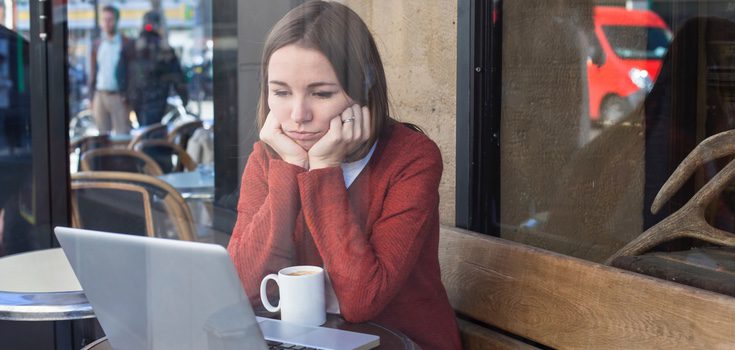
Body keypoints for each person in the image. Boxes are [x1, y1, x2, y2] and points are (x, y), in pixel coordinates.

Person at [226, 2, 461, 349]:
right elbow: (241, 289)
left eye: (321, 93)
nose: (298, 115)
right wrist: (289, 168)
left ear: (363, 86)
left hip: (398, 343)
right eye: (281, 92)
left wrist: (323, 170)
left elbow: (361, 300)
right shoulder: (268, 159)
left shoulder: (412, 159)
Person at [127, 11, 188, 127]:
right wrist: (184, 96)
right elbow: (177, 75)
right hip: (158, 97)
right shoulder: (164, 48)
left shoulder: (134, 47)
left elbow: (125, 73)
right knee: (154, 129)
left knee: (145, 129)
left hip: (138, 97)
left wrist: (127, 94)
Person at [89, 5, 133, 135]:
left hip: (118, 95)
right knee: (102, 135)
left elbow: (131, 72)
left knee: (122, 133)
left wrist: (128, 96)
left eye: (110, 19)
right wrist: (91, 97)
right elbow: (93, 71)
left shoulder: (125, 43)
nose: (107, 23)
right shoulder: (97, 44)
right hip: (100, 94)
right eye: (104, 19)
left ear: (116, 21)